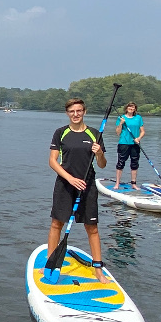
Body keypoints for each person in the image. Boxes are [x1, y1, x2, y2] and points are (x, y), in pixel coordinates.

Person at [48, 98, 108, 283]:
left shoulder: (94, 134)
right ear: (67, 113)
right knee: (57, 224)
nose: (76, 114)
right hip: (66, 184)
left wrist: (99, 153)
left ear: (84, 112)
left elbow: (102, 165)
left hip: (87, 186)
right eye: (72, 111)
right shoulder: (60, 133)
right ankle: (50, 264)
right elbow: (52, 161)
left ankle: (98, 269)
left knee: (92, 227)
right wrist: (70, 179)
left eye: (79, 111)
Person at [113, 102, 145, 187]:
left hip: (135, 143)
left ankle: (133, 183)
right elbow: (118, 133)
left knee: (134, 163)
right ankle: (117, 183)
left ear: (135, 109)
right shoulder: (121, 118)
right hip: (124, 143)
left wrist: (138, 138)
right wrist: (121, 123)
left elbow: (143, 131)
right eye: (130, 107)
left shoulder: (138, 118)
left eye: (133, 107)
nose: (131, 108)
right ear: (126, 108)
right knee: (121, 163)